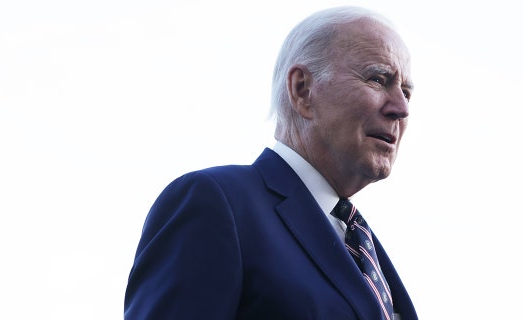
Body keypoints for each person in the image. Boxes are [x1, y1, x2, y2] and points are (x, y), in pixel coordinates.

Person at [124, 5, 418, 320]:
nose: (401, 108)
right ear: (302, 90)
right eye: (378, 79)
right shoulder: (216, 203)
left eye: (406, 91)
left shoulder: (362, 245)